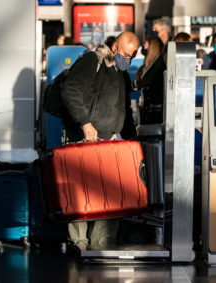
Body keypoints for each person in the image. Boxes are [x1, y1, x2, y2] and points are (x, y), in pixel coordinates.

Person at [60, 31, 139, 251]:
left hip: (111, 142)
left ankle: (102, 244)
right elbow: (70, 90)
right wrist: (85, 123)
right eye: (125, 54)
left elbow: (124, 107)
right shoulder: (91, 61)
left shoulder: (120, 72)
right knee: (81, 194)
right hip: (84, 139)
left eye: (132, 56)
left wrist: (133, 138)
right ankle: (80, 244)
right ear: (115, 47)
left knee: (110, 195)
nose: (128, 60)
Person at [132, 37, 166, 124]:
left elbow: (145, 81)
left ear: (152, 46)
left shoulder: (158, 63)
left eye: (145, 44)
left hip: (154, 108)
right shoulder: (151, 63)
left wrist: (131, 85)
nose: (143, 46)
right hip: (148, 106)